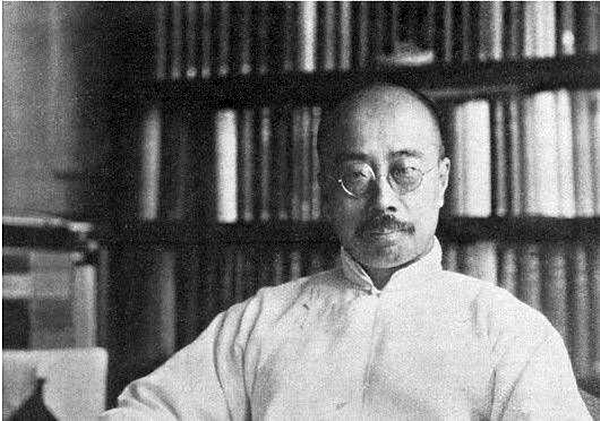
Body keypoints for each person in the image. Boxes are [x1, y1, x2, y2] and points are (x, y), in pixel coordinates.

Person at [101, 83, 591, 420]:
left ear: (441, 182)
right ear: (324, 191)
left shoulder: (509, 331)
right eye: (357, 176)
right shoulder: (259, 323)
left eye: (405, 172)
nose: (383, 201)